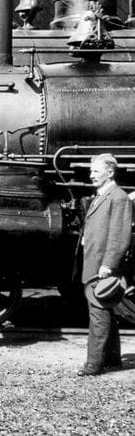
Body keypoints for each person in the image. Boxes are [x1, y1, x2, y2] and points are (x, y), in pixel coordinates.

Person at [77, 153, 132, 376]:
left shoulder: (118, 197)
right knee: (106, 310)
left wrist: (108, 264)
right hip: (95, 262)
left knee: (98, 314)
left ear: (110, 173)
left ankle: (93, 364)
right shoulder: (104, 195)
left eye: (96, 171)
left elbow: (119, 235)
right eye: (91, 171)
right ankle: (112, 357)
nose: (91, 175)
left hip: (102, 265)